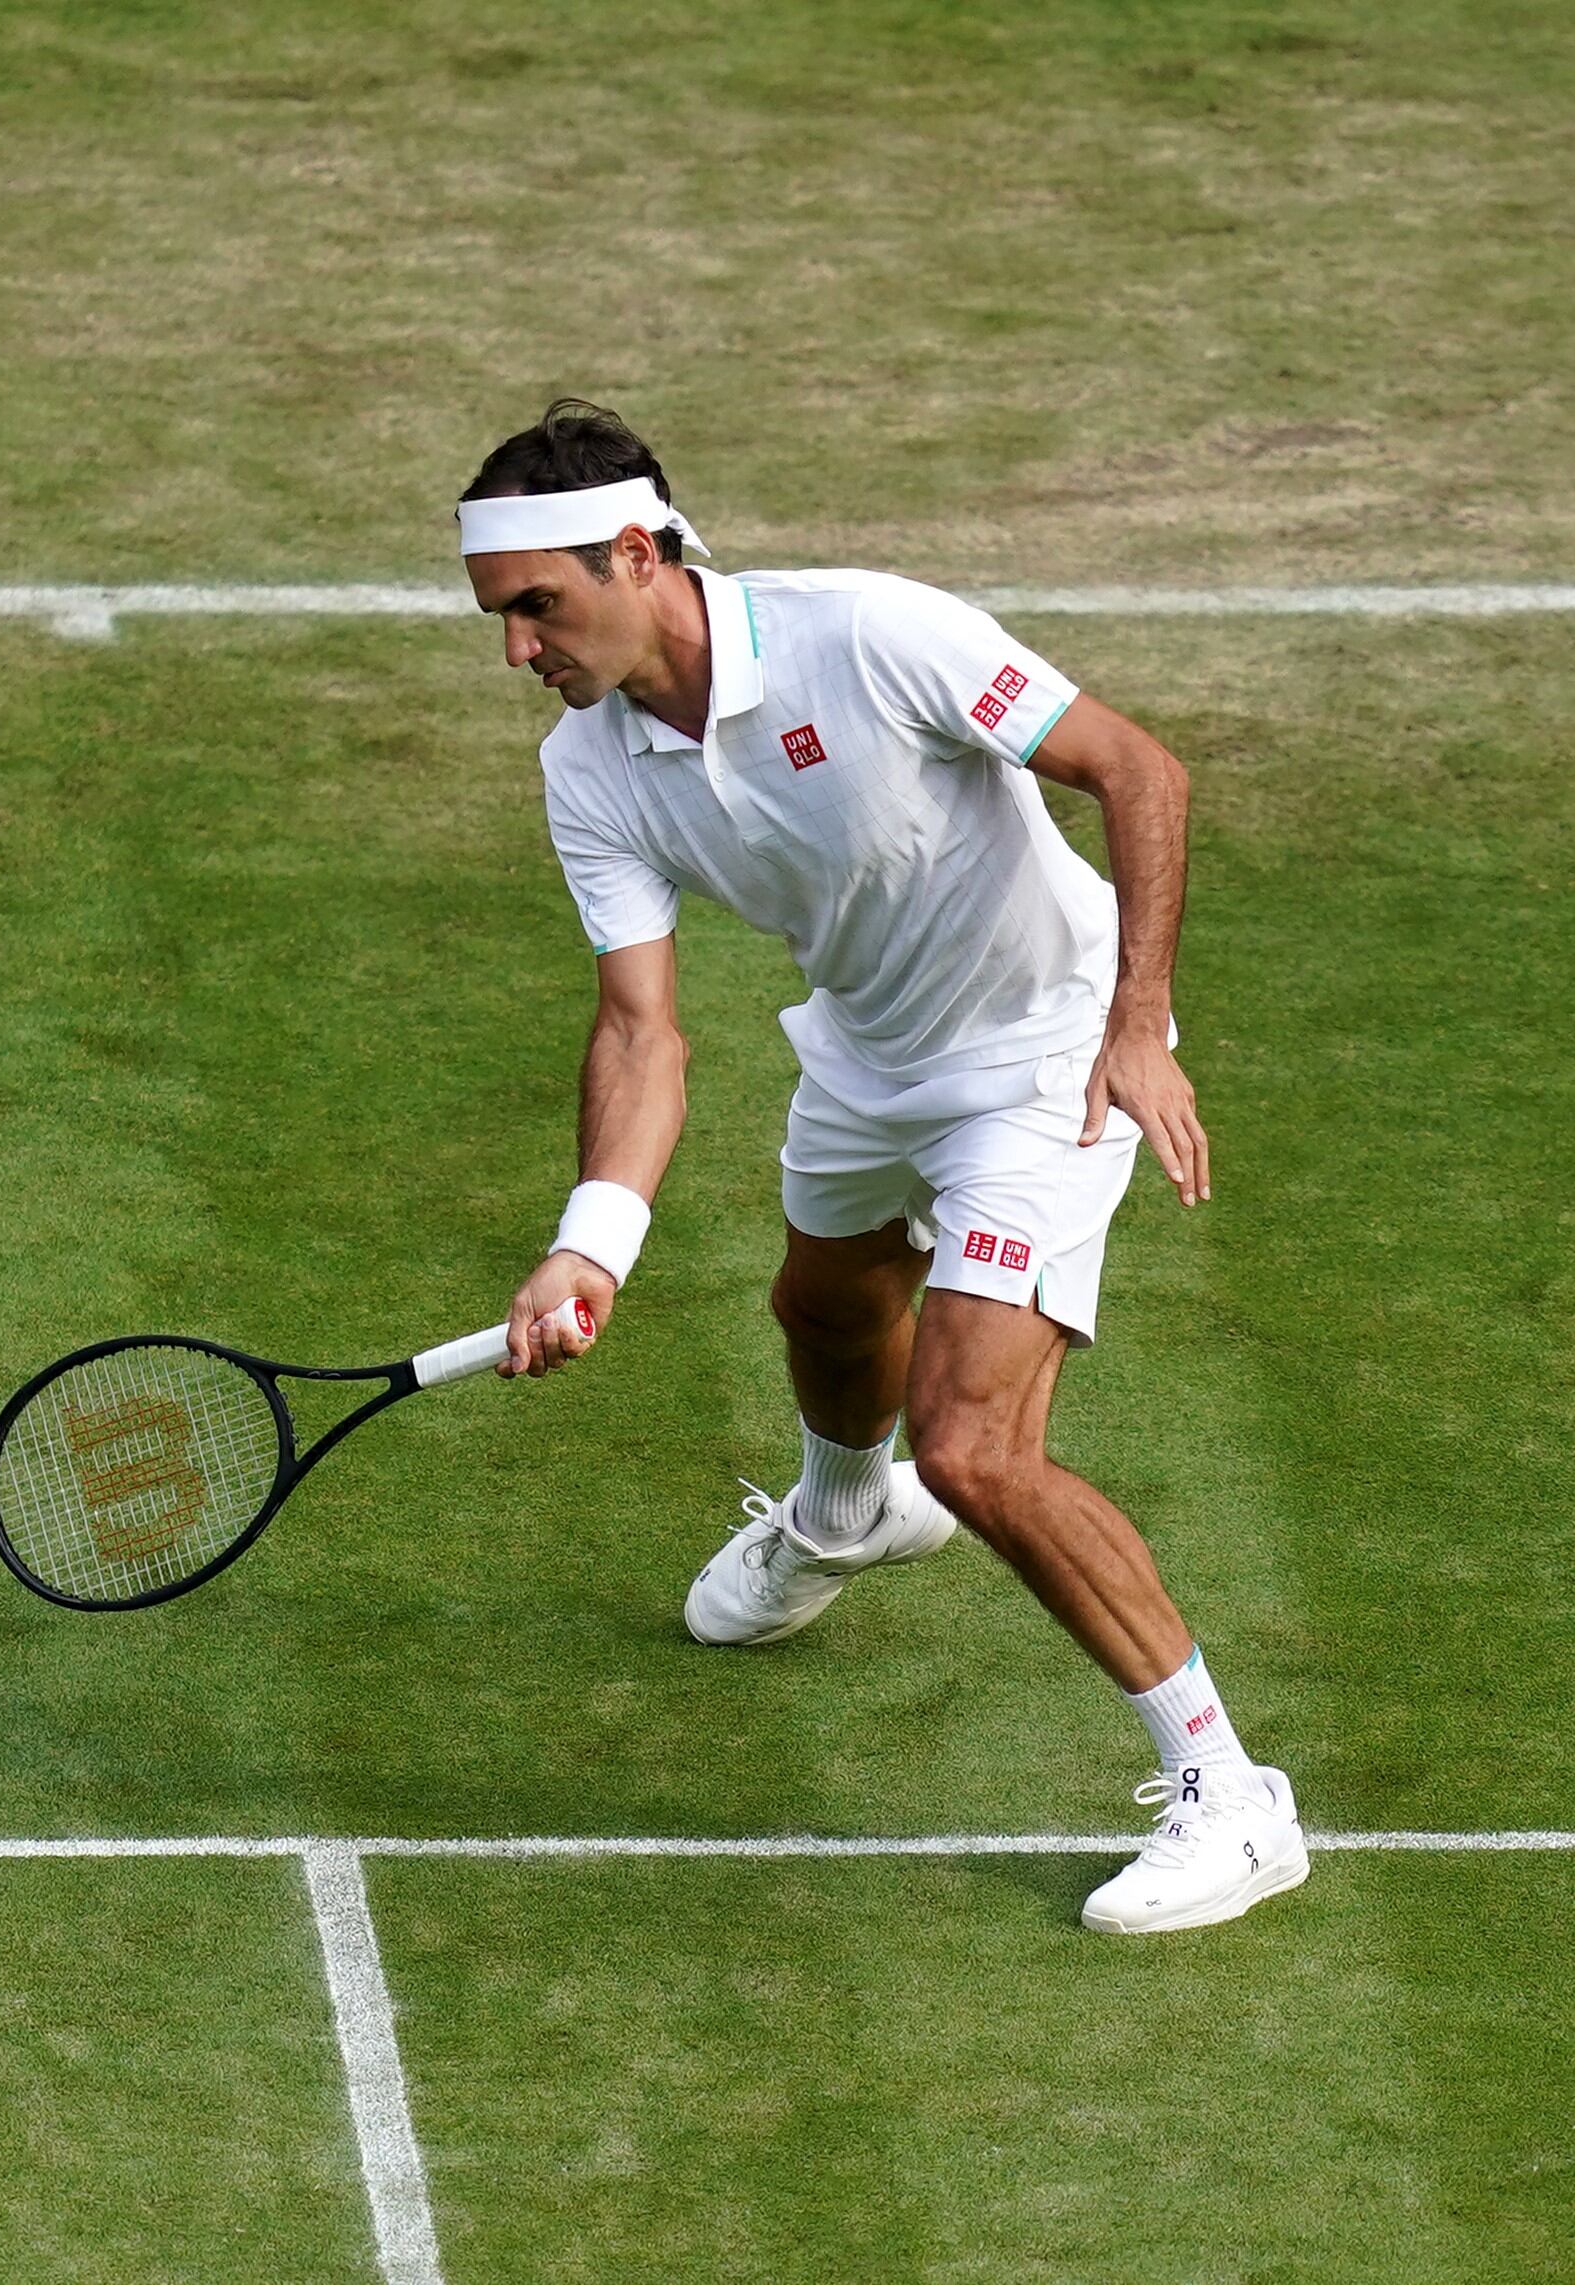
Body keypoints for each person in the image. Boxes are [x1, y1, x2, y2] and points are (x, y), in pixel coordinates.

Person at [463, 399, 1304, 1933]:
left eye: (539, 606)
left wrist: (1138, 1029)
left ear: (638, 554)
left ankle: (1230, 1795)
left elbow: (1138, 768)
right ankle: (847, 1513)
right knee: (825, 1306)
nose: (520, 650)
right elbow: (643, 1033)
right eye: (500, 618)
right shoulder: (588, 772)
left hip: (1050, 1050)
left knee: (976, 1444)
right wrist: (591, 1244)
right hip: (870, 1047)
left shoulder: (869, 632)